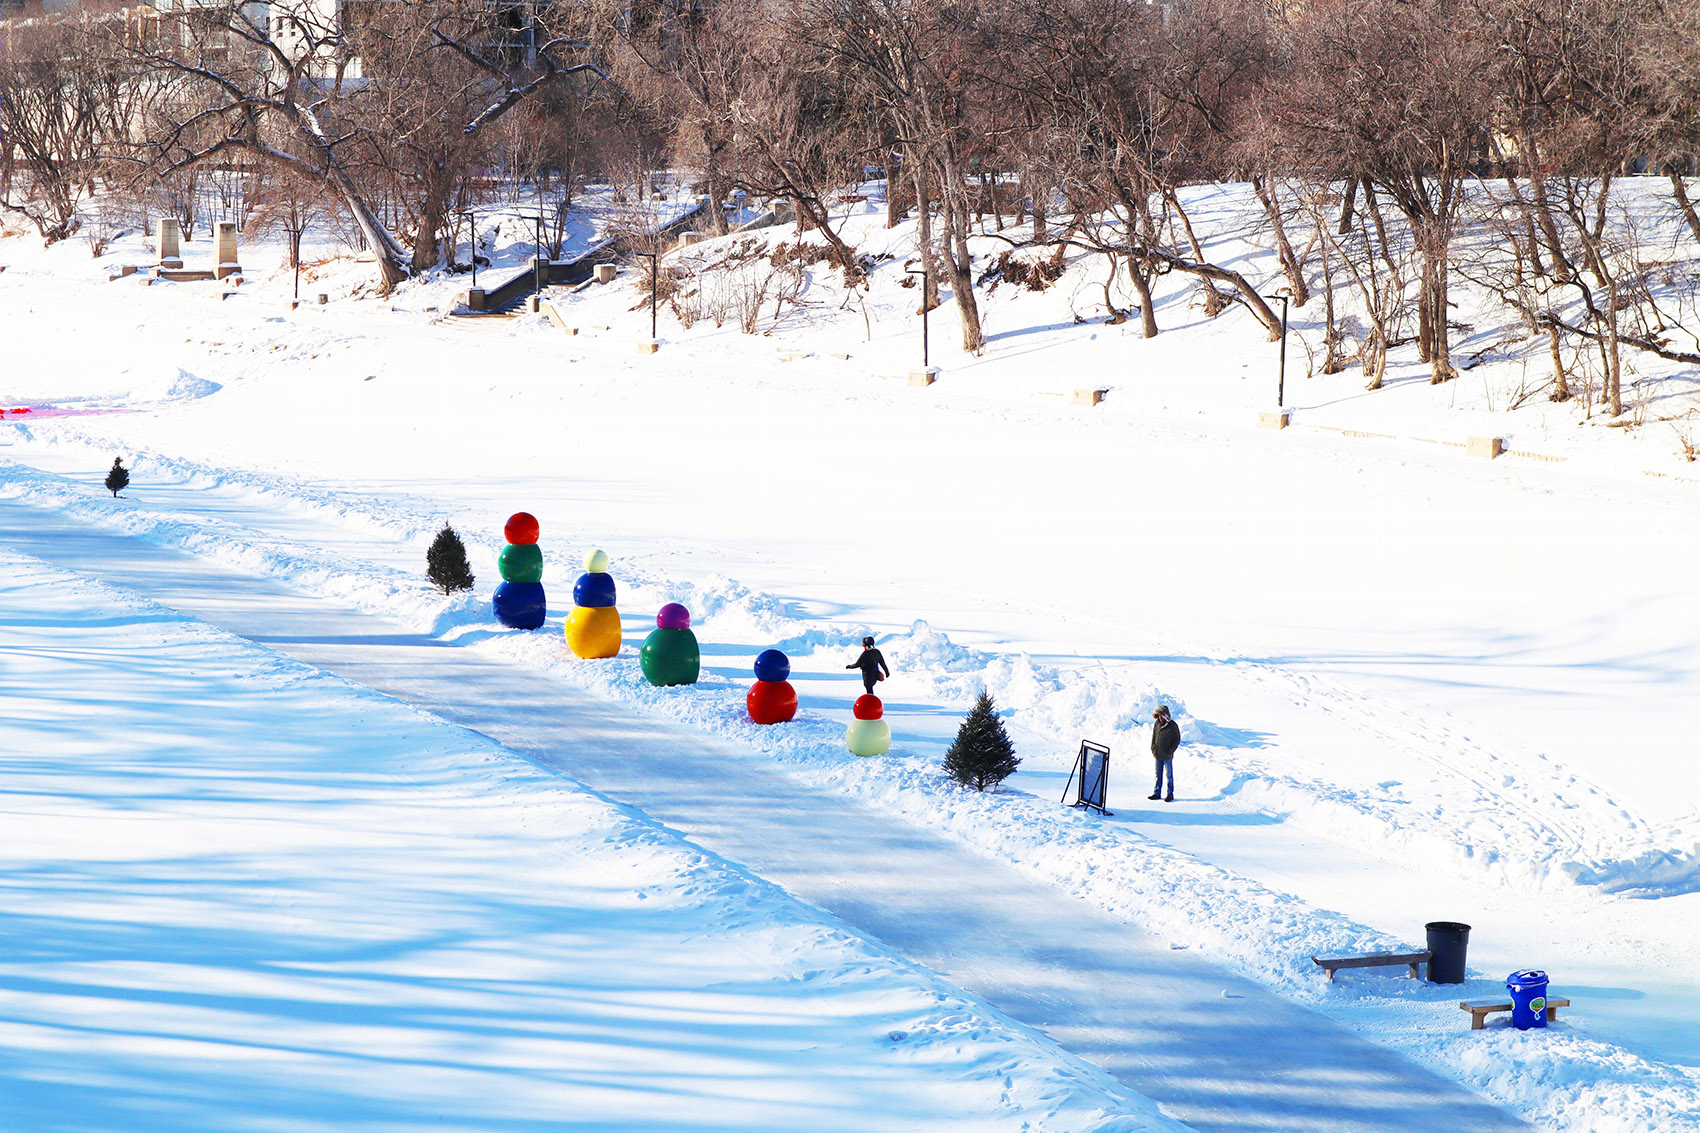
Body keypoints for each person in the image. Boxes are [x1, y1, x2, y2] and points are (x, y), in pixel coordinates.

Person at [1149, 704, 1180, 802]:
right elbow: (1154, 737)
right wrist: (1153, 748)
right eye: (1159, 716)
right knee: (1158, 775)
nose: (1160, 718)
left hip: (1167, 756)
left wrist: (1170, 751)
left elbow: (1177, 740)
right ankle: (1157, 793)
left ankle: (1170, 794)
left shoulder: (1173, 726)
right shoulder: (1157, 724)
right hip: (1157, 754)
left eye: (1161, 716)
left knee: (1169, 775)